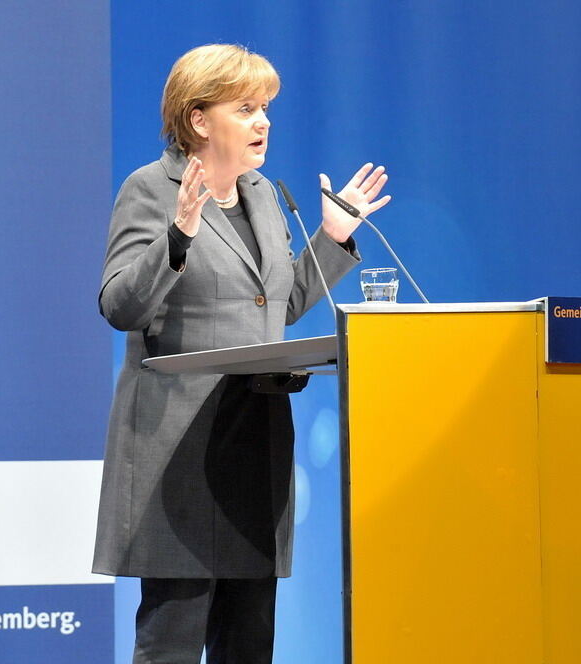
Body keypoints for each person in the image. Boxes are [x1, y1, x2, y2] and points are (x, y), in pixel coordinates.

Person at [93, 44, 390, 663]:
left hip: (254, 442)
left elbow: (273, 307)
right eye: (247, 108)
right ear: (200, 120)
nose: (264, 122)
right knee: (171, 643)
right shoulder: (151, 190)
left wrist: (334, 239)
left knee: (249, 643)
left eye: (267, 109)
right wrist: (177, 236)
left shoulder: (261, 193)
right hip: (179, 450)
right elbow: (122, 306)